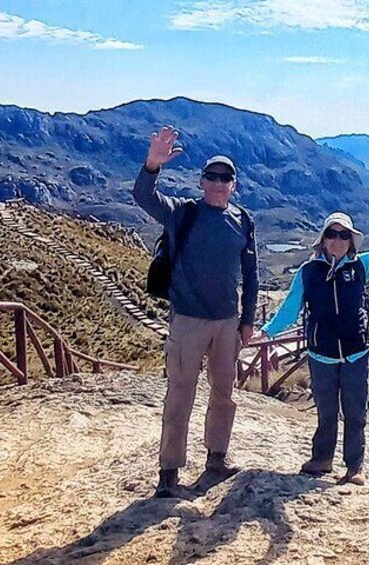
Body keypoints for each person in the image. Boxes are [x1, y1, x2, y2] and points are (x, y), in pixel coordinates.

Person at [133, 126, 259, 498]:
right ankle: (169, 472)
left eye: (226, 178)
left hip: (226, 324)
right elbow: (143, 196)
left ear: (234, 185)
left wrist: (248, 320)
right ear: (201, 181)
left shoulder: (243, 221)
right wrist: (153, 164)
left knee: (224, 393)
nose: (219, 183)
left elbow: (251, 274)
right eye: (212, 177)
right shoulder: (183, 213)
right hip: (187, 320)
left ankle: (216, 459)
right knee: (180, 393)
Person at [257, 194, 369, 485]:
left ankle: (354, 467)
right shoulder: (308, 272)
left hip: (356, 352)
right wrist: (268, 331)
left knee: (355, 410)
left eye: (343, 235)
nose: (337, 240)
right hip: (321, 354)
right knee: (326, 410)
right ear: (323, 240)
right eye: (332, 234)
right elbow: (290, 308)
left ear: (351, 241)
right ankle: (322, 459)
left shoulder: (361, 266)